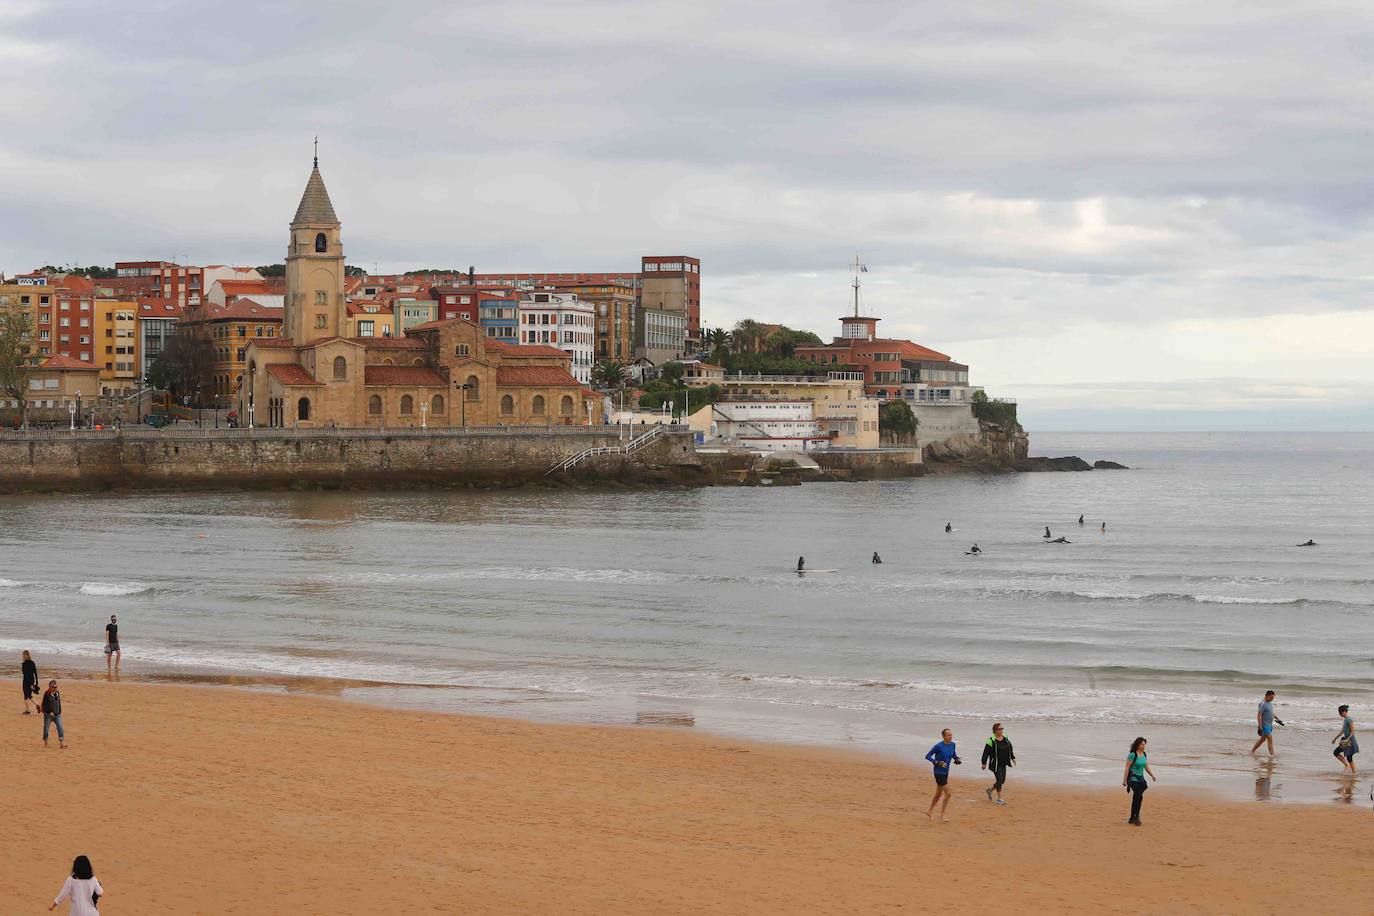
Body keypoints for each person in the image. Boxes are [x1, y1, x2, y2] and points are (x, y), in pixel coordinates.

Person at [925, 728, 961, 821]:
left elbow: (953, 754)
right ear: (944, 736)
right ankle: (942, 814)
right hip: (938, 772)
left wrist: (957, 759)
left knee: (938, 794)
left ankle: (929, 812)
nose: (950, 737)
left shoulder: (953, 745)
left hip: (946, 772)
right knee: (948, 794)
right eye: (948, 735)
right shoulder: (938, 746)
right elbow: (928, 756)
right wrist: (937, 762)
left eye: (951, 735)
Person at [1122, 736, 1156, 825]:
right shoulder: (1133, 755)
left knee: (1137, 797)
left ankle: (1132, 817)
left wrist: (1152, 775)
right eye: (1141, 744)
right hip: (1133, 778)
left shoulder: (1144, 754)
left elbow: (1145, 766)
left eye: (1144, 744)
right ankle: (1136, 817)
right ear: (1137, 745)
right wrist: (1125, 780)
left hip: (1141, 779)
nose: (1143, 746)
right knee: (1138, 796)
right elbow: (1127, 767)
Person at [980, 723, 1016, 804]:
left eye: (1002, 729)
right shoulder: (991, 740)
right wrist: (984, 763)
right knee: (999, 780)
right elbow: (985, 753)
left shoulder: (1005, 737)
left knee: (1002, 780)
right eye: (999, 729)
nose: (1001, 730)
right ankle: (999, 799)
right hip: (995, 764)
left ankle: (990, 790)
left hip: (1003, 763)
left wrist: (1012, 757)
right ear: (995, 730)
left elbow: (1010, 747)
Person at [1250, 690, 1285, 755]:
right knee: (1270, 739)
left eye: (1273, 698)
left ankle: (1252, 751)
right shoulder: (1263, 704)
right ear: (1267, 696)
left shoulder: (1269, 703)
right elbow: (1259, 715)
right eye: (1271, 697)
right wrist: (1260, 725)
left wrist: (1277, 718)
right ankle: (1272, 755)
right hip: (1265, 725)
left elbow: (1270, 713)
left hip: (1269, 725)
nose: (1272, 699)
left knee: (1262, 740)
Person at [1333, 705, 1358, 774]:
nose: (1339, 714)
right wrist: (1335, 738)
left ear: (1344, 712)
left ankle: (1352, 771)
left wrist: (1348, 739)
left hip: (1350, 741)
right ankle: (1351, 769)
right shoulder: (1345, 720)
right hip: (1346, 741)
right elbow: (1343, 731)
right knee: (1338, 753)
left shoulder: (1349, 720)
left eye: (1340, 713)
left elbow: (1353, 731)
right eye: (1339, 713)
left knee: (1349, 758)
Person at [41, 679, 66, 749]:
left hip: (57, 715)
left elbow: (58, 702)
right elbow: (44, 705)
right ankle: (46, 741)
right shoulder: (47, 694)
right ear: (50, 687)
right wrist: (49, 712)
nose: (55, 688)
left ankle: (61, 743)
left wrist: (59, 711)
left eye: (56, 687)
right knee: (46, 728)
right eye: (54, 687)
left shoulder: (57, 692)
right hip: (48, 715)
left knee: (61, 727)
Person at [22, 649, 39, 715]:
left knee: (26, 695)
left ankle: (28, 710)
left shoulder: (24, 664)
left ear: (24, 656)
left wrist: (29, 683)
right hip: (32, 680)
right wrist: (36, 682)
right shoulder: (32, 662)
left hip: (26, 681)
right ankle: (37, 705)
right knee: (29, 695)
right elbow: (35, 673)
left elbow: (24, 673)